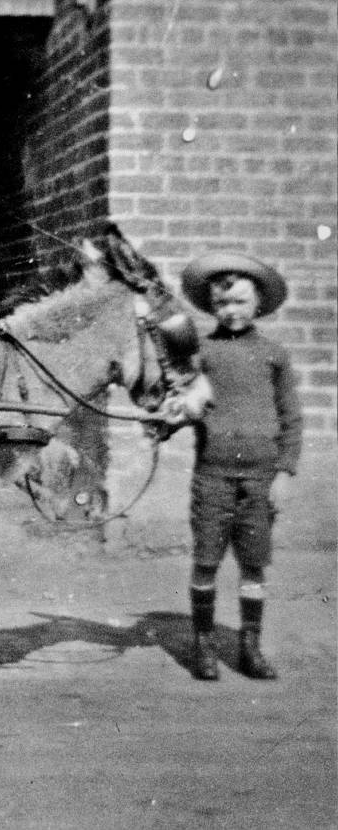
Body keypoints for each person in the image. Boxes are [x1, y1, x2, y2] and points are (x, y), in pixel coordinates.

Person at [179, 252, 301, 681]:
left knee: (253, 562)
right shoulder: (203, 354)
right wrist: (178, 413)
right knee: (207, 559)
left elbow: (291, 417)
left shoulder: (274, 355)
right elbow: (184, 405)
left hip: (260, 478)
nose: (231, 311)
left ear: (258, 305)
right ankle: (204, 644)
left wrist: (284, 471)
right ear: (213, 306)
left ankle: (250, 645)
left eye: (240, 303)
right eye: (223, 304)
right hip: (212, 475)